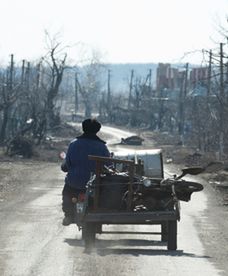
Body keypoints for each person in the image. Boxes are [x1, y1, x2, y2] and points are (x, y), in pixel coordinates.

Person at [61, 118, 110, 226]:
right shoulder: (102, 147)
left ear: (83, 128)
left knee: (67, 192)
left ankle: (68, 215)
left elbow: (67, 164)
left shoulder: (73, 144)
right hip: (94, 185)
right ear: (97, 130)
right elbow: (108, 166)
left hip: (74, 183)